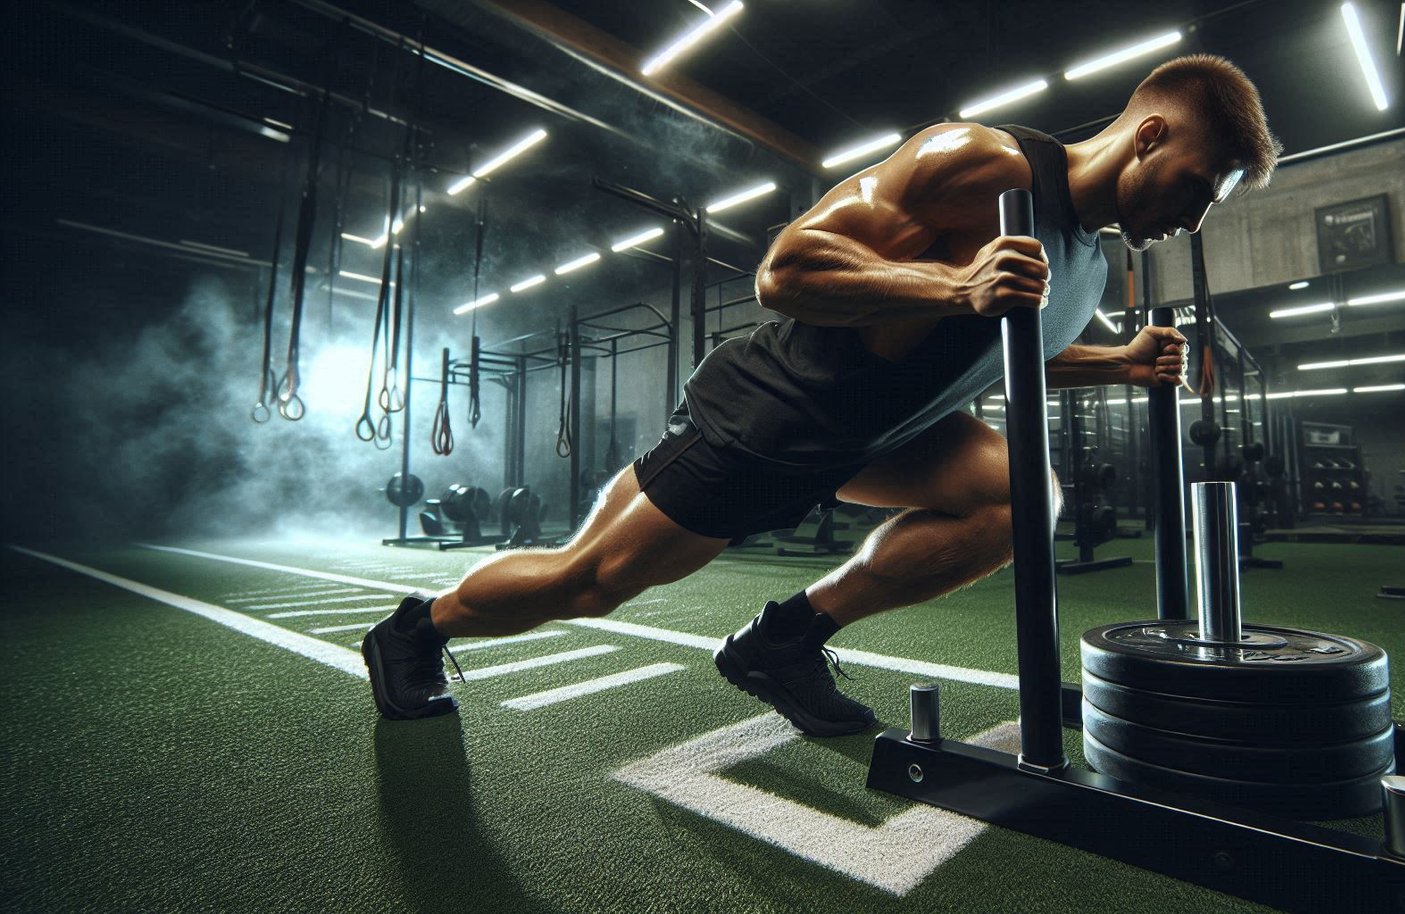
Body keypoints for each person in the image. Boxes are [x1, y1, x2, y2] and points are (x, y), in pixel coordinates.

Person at [362, 54, 1280, 733]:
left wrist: (1118, 362)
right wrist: (950, 285)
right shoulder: (983, 165)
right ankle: (417, 632)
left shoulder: (1087, 260)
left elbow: (1007, 348)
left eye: (1214, 207)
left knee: (1020, 497)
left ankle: (786, 641)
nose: (1196, 217)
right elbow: (786, 270)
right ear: (1149, 135)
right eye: (1198, 187)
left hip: (879, 434)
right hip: (773, 417)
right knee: (591, 583)